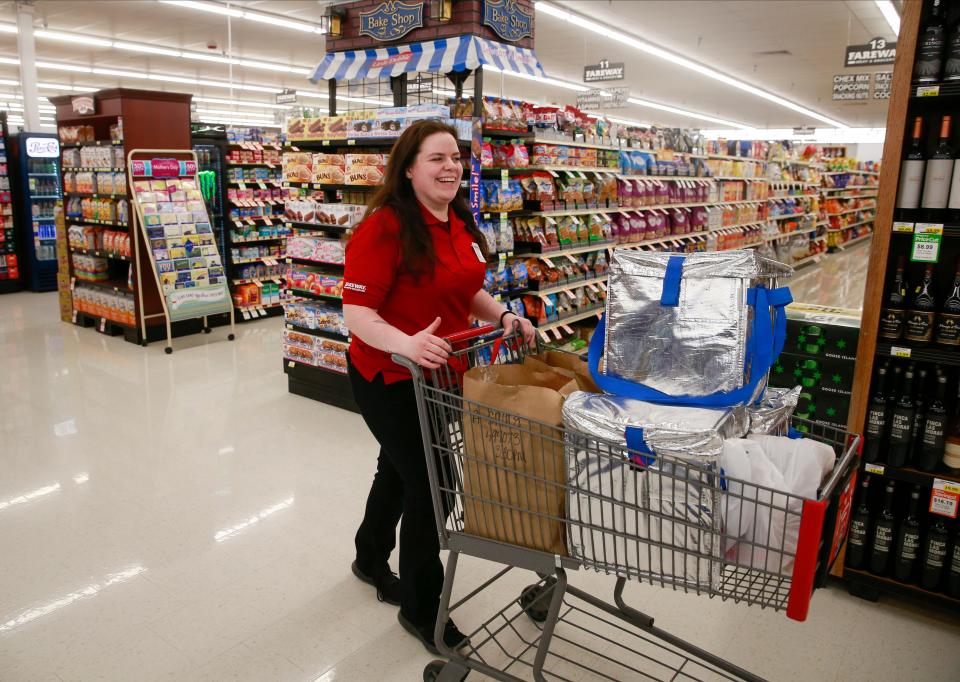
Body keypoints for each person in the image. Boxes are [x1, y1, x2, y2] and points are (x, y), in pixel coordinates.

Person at [342, 119, 536, 655]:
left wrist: (504, 316)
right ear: (408, 169)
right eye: (436, 158)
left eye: (456, 157)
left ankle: (368, 556)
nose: (450, 166)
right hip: (389, 376)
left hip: (442, 375)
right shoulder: (385, 227)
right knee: (433, 481)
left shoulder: (459, 222)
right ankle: (422, 608)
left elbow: (467, 290)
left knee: (399, 469)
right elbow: (355, 310)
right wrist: (403, 342)